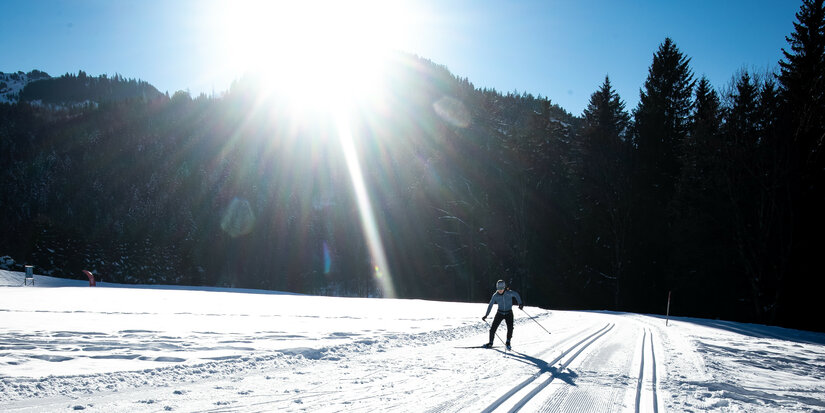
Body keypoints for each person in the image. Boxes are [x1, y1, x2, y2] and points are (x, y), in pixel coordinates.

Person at [482, 279, 523, 349]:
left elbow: (516, 295)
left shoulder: (509, 293)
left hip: (509, 313)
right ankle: (490, 342)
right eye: (498, 288)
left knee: (510, 328)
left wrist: (520, 303)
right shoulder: (495, 295)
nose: (500, 290)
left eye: (501, 288)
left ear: (504, 288)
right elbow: (490, 305)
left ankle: (508, 342)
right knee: (493, 329)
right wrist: (486, 315)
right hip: (500, 313)